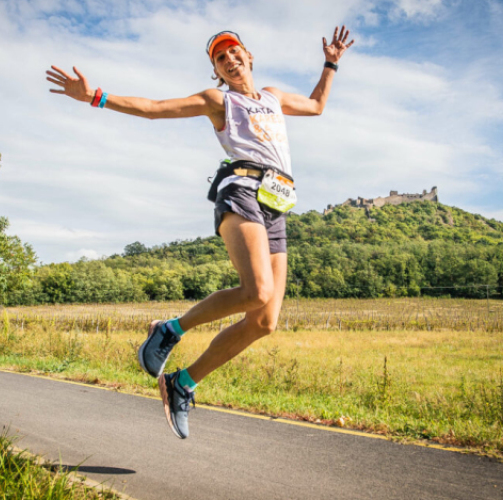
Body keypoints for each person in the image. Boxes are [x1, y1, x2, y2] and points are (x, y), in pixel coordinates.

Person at [47, 26, 354, 438]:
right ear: (216, 70)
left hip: (277, 204)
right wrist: (96, 97)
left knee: (264, 321)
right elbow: (154, 108)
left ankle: (182, 383)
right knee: (257, 291)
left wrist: (331, 63)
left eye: (233, 52)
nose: (229, 59)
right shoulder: (218, 101)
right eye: (219, 58)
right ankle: (169, 330)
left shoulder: (273, 96)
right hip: (242, 187)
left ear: (248, 55)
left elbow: (317, 105)